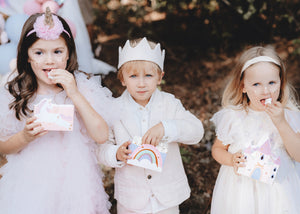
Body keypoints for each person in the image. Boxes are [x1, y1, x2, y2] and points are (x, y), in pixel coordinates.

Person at [0, 9, 114, 214]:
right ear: (26, 55)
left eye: (57, 52)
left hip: (76, 183)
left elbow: (101, 135)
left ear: (68, 52)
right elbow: (3, 147)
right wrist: (25, 136)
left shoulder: (82, 86)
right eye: (39, 52)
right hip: (30, 184)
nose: (49, 60)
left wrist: (74, 93)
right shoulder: (16, 92)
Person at [98, 37, 204, 214]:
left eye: (148, 75)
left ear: (159, 77)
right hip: (131, 199)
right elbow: (101, 148)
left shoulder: (170, 104)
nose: (141, 83)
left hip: (167, 199)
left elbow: (197, 131)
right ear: (122, 79)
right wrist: (115, 153)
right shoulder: (113, 109)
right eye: (133, 76)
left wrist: (166, 127)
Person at [210, 46, 300, 214]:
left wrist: (280, 122)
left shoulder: (290, 116)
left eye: (272, 83)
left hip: (279, 190)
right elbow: (217, 149)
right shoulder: (234, 117)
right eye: (256, 84)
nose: (266, 91)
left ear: (281, 83)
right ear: (243, 86)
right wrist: (230, 159)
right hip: (241, 191)